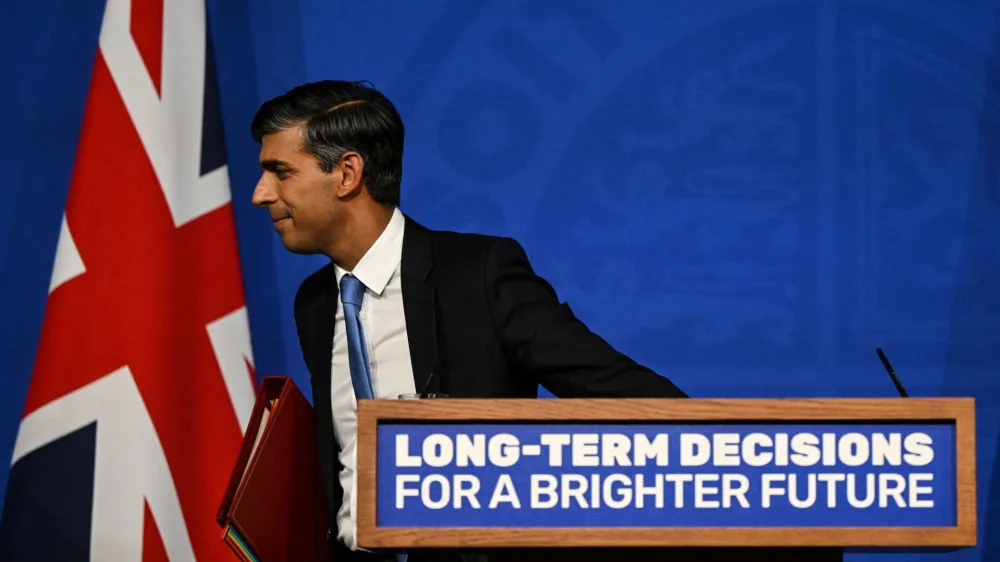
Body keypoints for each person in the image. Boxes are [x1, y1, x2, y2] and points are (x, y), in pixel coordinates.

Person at [250, 80, 840, 562]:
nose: (260, 193)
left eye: (280, 171)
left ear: (347, 174)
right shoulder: (314, 302)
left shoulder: (476, 275)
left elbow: (616, 390)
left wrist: (770, 479)